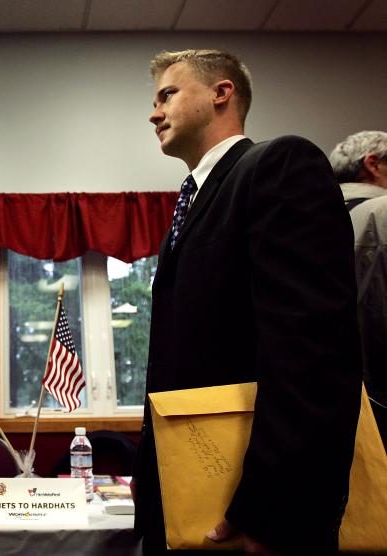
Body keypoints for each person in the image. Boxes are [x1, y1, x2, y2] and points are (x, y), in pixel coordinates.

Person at [132, 49, 362, 555]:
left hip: (260, 510)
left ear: (221, 93)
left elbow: (312, 351)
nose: (153, 112)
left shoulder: (278, 165)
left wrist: (274, 509)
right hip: (189, 495)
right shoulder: (192, 198)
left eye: (167, 94)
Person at [330, 130, 387, 448]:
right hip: (378, 403)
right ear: (373, 164)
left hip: (309, 403)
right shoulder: (383, 213)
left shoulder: (300, 217)